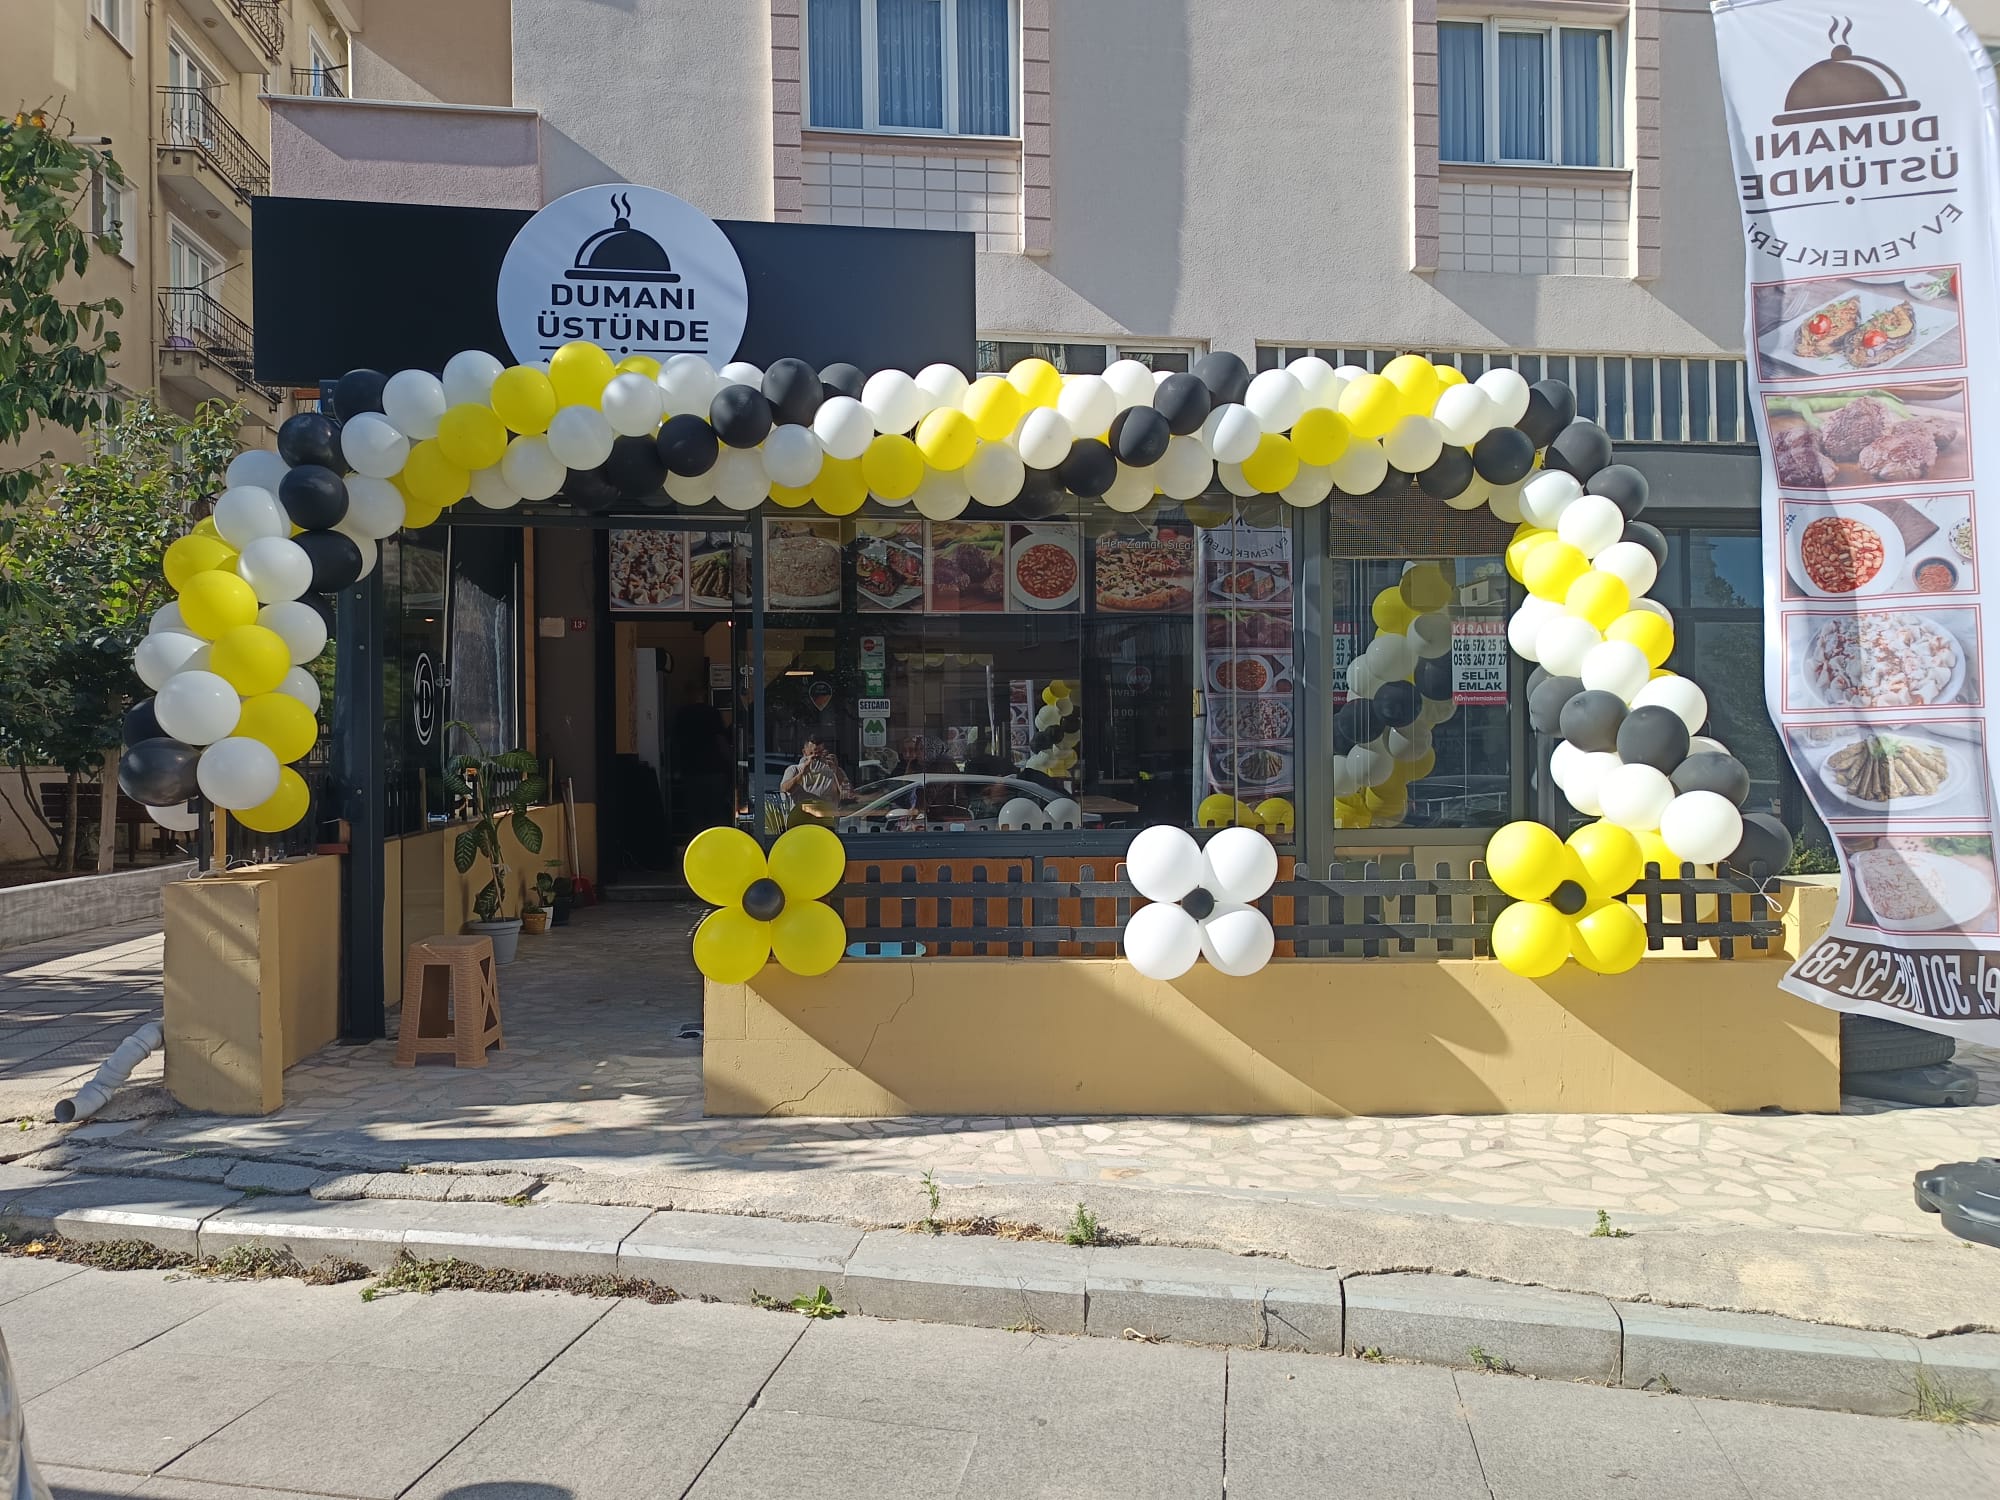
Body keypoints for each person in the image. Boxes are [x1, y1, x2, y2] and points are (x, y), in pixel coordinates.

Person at [780, 731, 852, 819]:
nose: (816, 758)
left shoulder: (834, 771)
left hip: (826, 822)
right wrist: (802, 774)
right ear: (804, 753)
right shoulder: (794, 770)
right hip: (800, 821)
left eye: (820, 754)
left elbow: (847, 794)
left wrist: (836, 769)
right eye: (812, 754)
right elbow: (785, 789)